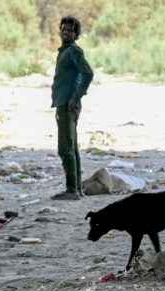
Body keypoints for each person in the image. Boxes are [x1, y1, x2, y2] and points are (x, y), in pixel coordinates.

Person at [51, 16, 94, 201]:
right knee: (72, 147)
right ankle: (77, 188)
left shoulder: (74, 51)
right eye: (63, 29)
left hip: (68, 105)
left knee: (65, 147)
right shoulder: (65, 51)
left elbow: (88, 73)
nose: (65, 32)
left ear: (76, 34)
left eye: (70, 30)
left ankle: (72, 190)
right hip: (63, 103)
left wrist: (76, 97)